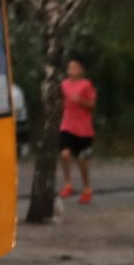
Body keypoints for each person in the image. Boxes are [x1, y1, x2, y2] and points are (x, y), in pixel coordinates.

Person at [57, 60, 97, 205]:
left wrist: (80, 100)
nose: (72, 70)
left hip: (84, 129)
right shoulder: (64, 84)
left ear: (81, 70)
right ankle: (68, 184)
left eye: (75, 67)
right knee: (65, 154)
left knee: (82, 160)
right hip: (67, 124)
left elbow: (92, 106)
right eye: (70, 67)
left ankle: (86, 188)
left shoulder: (86, 85)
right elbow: (60, 100)